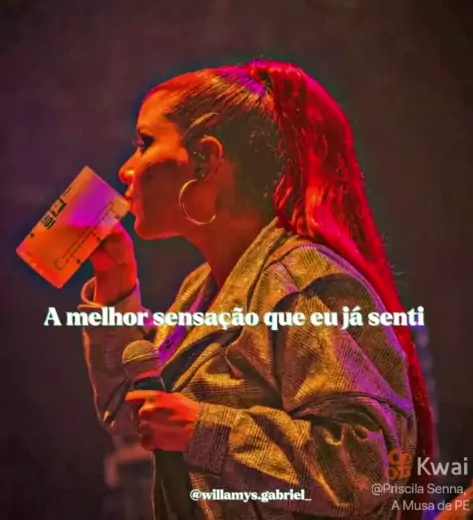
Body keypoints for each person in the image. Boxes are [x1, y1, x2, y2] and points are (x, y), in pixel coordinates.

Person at [80, 61, 435, 520]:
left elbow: (365, 470)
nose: (127, 169)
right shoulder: (201, 289)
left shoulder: (303, 282)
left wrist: (205, 431)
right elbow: (131, 415)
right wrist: (114, 285)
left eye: (146, 143)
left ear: (205, 159)